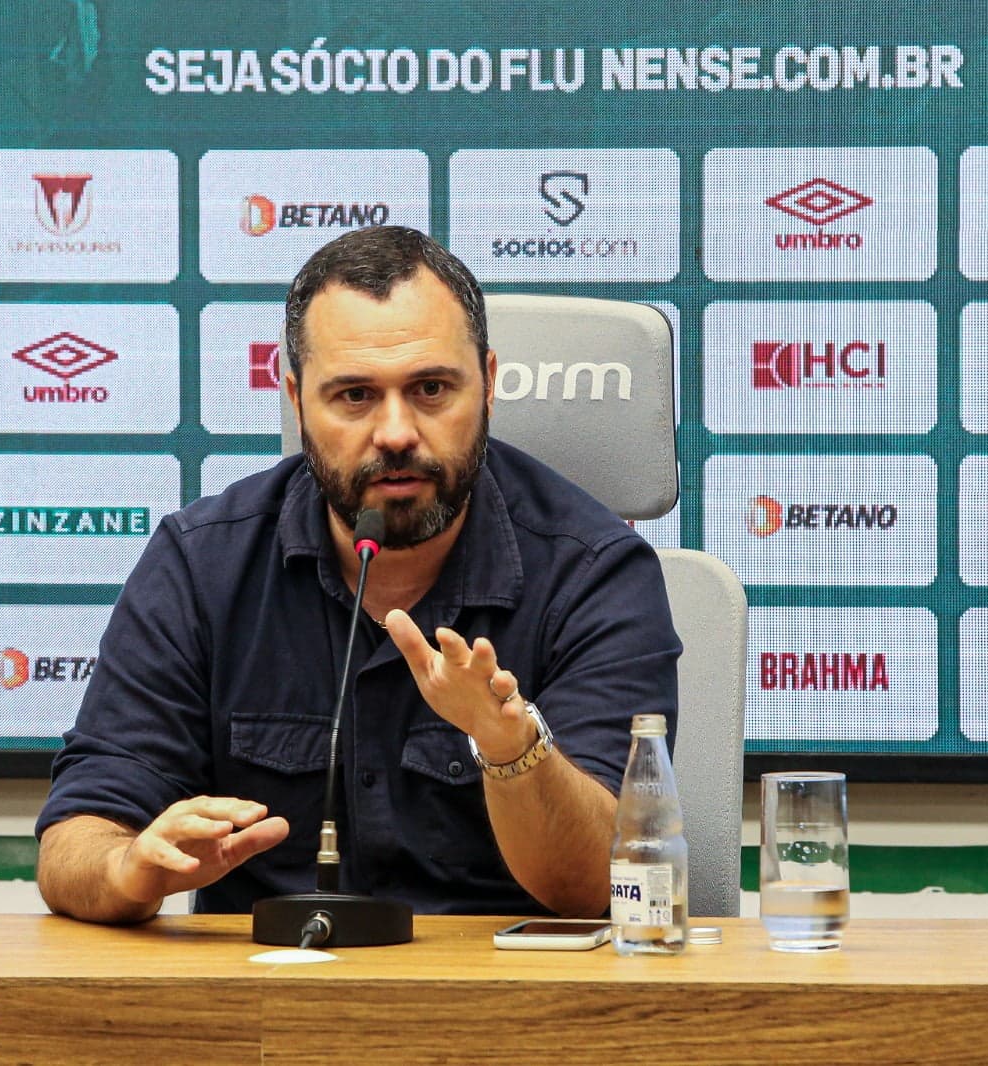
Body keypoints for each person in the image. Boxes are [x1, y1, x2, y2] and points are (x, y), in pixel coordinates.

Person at [35, 226, 680, 924]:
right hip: (269, 999)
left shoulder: (595, 573)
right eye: (354, 396)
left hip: (511, 1004)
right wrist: (128, 869)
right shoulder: (202, 565)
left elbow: (607, 886)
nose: (396, 431)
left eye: (431, 389)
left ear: (489, 384)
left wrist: (511, 749)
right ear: (295, 398)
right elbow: (75, 842)